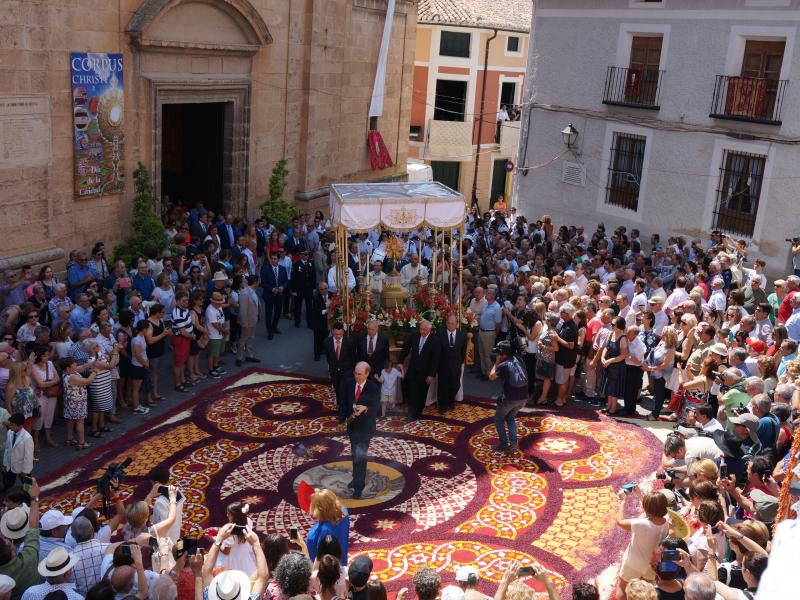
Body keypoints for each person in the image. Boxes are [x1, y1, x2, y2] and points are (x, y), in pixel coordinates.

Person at [615, 490, 670, 600]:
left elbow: (620, 521)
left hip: (634, 562)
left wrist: (623, 501)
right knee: (645, 593)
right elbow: (652, 509)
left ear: (646, 508)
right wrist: (640, 495)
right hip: (652, 565)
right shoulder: (667, 519)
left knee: (622, 586)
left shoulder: (642, 524)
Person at [338, 361, 380, 499]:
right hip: (352, 427)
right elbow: (343, 403)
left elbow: (376, 408)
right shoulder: (349, 384)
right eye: (355, 373)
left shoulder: (373, 388)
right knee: (354, 454)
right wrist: (341, 421)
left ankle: (358, 486)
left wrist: (365, 408)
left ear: (367, 374)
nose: (356, 376)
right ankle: (356, 478)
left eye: (359, 374)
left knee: (360, 456)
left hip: (365, 428)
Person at [488, 341, 528, 453]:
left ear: (502, 354)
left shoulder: (503, 365)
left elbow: (491, 377)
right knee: (510, 417)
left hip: (510, 399)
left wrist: (496, 362)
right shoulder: (518, 359)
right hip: (523, 398)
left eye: (498, 353)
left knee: (498, 419)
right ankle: (514, 444)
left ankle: (503, 444)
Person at [398, 320, 440, 422]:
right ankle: (411, 414)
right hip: (413, 369)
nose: (422, 331)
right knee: (411, 391)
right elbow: (406, 348)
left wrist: (431, 375)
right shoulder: (414, 336)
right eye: (421, 329)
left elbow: (436, 359)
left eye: (424, 329)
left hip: (426, 372)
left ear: (429, 329)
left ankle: (418, 412)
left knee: (421, 393)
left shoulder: (435, 340)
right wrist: (400, 361)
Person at [306, 489, 350, 565]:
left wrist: (302, 544)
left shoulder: (325, 531)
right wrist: (321, 495)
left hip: (327, 570)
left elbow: (319, 558)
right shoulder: (344, 512)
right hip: (341, 560)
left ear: (319, 509)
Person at [436, 315, 467, 412]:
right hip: (443, 365)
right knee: (442, 386)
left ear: (456, 324)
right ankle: (442, 405)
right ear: (446, 323)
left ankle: (451, 400)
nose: (450, 325)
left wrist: (459, 362)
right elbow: (437, 352)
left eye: (452, 323)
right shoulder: (440, 335)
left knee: (455, 385)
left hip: (456, 365)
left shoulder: (462, 336)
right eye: (448, 323)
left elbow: (463, 351)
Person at [325, 323, 356, 407]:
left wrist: (352, 370)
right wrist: (332, 367)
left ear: (343, 332)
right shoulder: (327, 342)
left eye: (340, 334)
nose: (338, 336)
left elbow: (353, 357)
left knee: (346, 389)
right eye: (335, 334)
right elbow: (328, 357)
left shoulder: (349, 342)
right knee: (337, 389)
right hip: (334, 371)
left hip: (347, 371)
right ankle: (340, 405)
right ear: (332, 332)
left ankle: (347, 406)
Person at [260, 253, 289, 340]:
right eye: (272, 258)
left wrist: (282, 287)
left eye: (275, 259)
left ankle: (274, 327)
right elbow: (263, 283)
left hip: (279, 295)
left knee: (278, 312)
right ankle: (270, 331)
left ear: (278, 260)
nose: (273, 260)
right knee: (269, 313)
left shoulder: (283, 269)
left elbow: (286, 281)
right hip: (269, 294)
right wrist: (272, 289)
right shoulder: (265, 269)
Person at [2, 413, 33, 490]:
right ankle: (7, 491)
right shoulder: (10, 432)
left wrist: (26, 470)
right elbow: (7, 449)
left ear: (20, 426)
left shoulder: (27, 438)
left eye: (12, 425)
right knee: (8, 482)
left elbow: (28, 456)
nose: (10, 426)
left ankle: (29, 496)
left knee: (27, 486)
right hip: (11, 464)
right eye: (10, 424)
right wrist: (5, 463)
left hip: (22, 466)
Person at [236, 275, 261, 366]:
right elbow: (243, 309)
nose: (259, 283)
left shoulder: (253, 291)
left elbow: (256, 305)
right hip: (247, 321)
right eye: (258, 281)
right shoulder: (245, 293)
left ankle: (249, 355)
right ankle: (239, 357)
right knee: (243, 339)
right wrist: (244, 322)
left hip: (253, 319)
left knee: (251, 338)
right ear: (255, 283)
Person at [205, 292, 228, 378]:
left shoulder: (218, 307)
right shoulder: (210, 310)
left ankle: (216, 366)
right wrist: (224, 330)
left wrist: (224, 326)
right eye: (219, 302)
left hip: (220, 334)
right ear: (214, 302)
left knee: (217, 352)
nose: (220, 304)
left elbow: (222, 318)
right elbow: (214, 325)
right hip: (213, 336)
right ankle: (211, 369)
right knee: (212, 353)